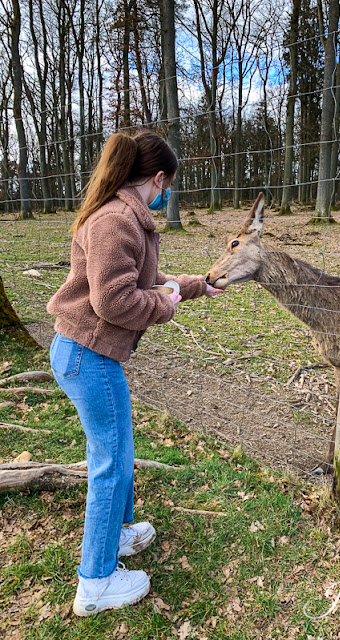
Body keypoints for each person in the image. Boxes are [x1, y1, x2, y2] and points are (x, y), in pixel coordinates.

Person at [46, 130, 223, 616]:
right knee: (111, 462)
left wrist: (193, 286)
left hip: (90, 354)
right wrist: (166, 307)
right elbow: (115, 299)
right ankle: (96, 583)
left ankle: (116, 535)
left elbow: (144, 280)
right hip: (88, 354)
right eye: (168, 187)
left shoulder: (125, 216)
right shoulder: (116, 221)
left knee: (118, 451)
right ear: (159, 179)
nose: (168, 195)